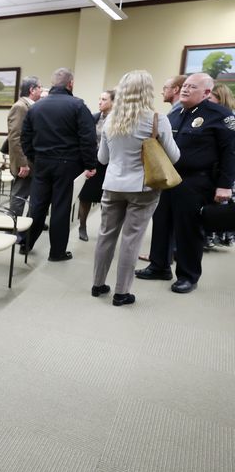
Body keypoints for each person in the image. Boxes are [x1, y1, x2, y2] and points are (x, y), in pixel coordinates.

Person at [135, 73, 235, 293]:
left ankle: (188, 275)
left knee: (188, 229)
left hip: (196, 181)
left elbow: (230, 153)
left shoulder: (221, 116)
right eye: (185, 86)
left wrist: (225, 185)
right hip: (168, 178)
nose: (185, 90)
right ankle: (159, 266)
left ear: (207, 92)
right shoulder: (176, 114)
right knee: (162, 223)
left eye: (192, 87)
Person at [91, 71, 180, 306]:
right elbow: (175, 156)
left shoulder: (111, 119)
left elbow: (102, 159)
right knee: (132, 239)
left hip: (112, 185)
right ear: (147, 91)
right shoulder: (156, 119)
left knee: (105, 235)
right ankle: (122, 292)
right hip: (143, 188)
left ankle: (98, 284)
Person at [20, 67, 97, 261]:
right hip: (67, 164)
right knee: (61, 208)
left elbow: (25, 138)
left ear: (53, 83)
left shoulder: (36, 107)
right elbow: (87, 138)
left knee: (37, 205)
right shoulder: (78, 106)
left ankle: (25, 243)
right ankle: (57, 252)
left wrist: (34, 158)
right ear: (70, 84)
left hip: (42, 163)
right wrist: (90, 164)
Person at [77, 89, 115, 241]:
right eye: (99, 99)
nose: (100, 102)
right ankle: (82, 226)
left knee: (106, 199)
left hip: (109, 164)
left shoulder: (118, 120)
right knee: (86, 196)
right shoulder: (93, 118)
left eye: (104, 99)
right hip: (92, 161)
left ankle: (104, 229)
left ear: (113, 102)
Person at [7, 76, 42, 217]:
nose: (42, 90)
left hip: (31, 160)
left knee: (28, 195)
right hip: (24, 163)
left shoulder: (31, 106)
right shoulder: (20, 107)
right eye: (40, 87)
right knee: (19, 196)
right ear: (32, 90)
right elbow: (15, 137)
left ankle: (24, 229)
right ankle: (12, 229)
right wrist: (23, 163)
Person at [205, 82, 235, 247]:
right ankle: (215, 237)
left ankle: (214, 236)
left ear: (220, 99)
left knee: (222, 203)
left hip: (225, 168)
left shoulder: (228, 119)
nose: (206, 101)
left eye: (210, 98)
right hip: (221, 168)